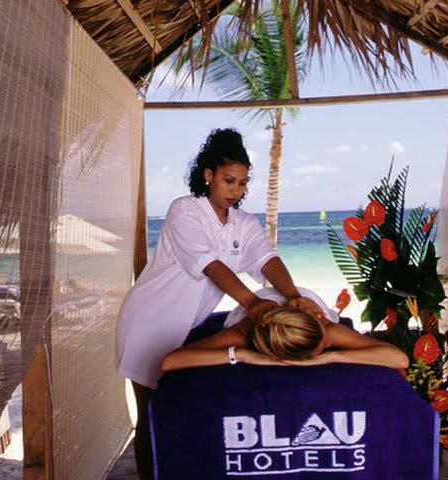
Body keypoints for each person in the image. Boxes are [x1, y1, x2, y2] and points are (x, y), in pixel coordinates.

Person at [116, 128, 324, 480]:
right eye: (229, 180)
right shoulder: (185, 210)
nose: (236, 190)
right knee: (152, 416)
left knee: (182, 411)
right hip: (148, 322)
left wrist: (294, 297)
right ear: (208, 175)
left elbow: (267, 259)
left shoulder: (243, 222)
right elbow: (213, 267)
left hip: (188, 327)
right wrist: (254, 304)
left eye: (242, 183)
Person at [160, 303, 410, 371]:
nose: (326, 343)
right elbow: (170, 361)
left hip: (295, 305)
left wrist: (331, 356)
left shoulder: (326, 328)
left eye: (323, 338)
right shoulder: (241, 332)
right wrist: (243, 355)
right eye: (321, 348)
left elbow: (399, 359)